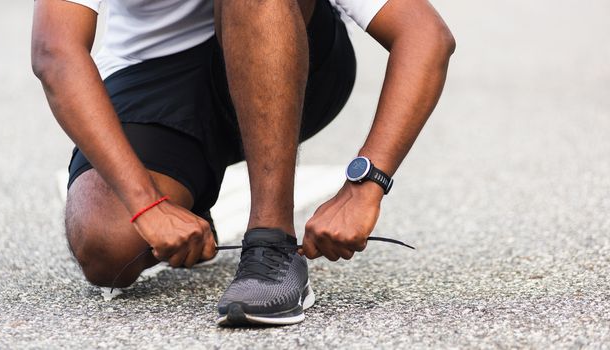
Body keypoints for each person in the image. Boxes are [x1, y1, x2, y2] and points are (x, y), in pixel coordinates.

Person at [32, 0, 455, 326]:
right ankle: (188, 198)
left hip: (286, 37)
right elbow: (56, 50)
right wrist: (147, 204)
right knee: (107, 248)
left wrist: (366, 185)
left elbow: (424, 36)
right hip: (153, 70)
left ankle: (271, 243)